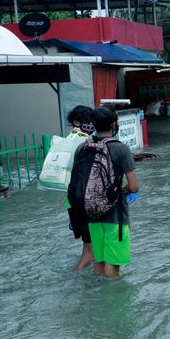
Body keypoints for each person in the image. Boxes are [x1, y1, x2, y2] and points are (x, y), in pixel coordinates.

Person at [68, 106, 139, 279]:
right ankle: (113, 302)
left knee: (99, 262)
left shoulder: (82, 148)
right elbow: (134, 186)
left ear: (93, 124)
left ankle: (96, 299)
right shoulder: (121, 149)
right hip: (115, 216)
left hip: (90, 215)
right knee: (112, 264)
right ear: (114, 124)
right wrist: (121, 191)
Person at [65, 105, 95, 270]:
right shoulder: (81, 141)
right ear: (77, 122)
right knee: (89, 250)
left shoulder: (67, 140)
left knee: (89, 245)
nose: (91, 125)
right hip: (84, 198)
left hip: (72, 198)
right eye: (88, 121)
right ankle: (77, 277)